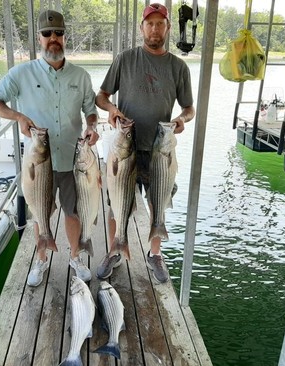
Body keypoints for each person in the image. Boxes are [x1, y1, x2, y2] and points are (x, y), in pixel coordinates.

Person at [0, 9, 99, 287]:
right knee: (40, 213)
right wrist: (18, 117)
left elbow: (91, 110)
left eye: (58, 33)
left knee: (74, 213)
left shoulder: (81, 76)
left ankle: (74, 257)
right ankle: (41, 259)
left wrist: (92, 126)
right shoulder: (21, 73)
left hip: (74, 161)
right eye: (47, 34)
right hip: (39, 163)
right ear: (39, 38)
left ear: (64, 36)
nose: (53, 39)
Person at [95, 3, 195, 283]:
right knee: (117, 202)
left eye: (160, 23)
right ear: (142, 28)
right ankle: (116, 248)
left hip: (159, 150)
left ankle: (155, 253)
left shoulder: (178, 67)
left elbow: (189, 108)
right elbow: (101, 96)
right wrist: (112, 110)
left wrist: (181, 119)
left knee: (158, 201)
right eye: (149, 24)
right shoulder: (125, 59)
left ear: (167, 27)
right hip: (124, 146)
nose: (154, 29)